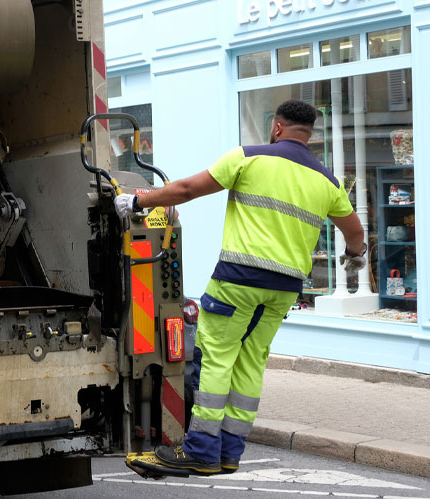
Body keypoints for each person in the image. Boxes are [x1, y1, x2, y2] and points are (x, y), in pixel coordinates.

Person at [114, 99, 366, 475]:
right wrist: (355, 256)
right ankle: (230, 451)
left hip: (239, 279)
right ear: (308, 134)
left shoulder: (248, 158)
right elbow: (355, 231)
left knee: (217, 357)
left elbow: (184, 191)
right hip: (285, 288)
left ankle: (200, 450)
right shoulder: (326, 181)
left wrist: (137, 199)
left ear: (277, 127)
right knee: (251, 362)